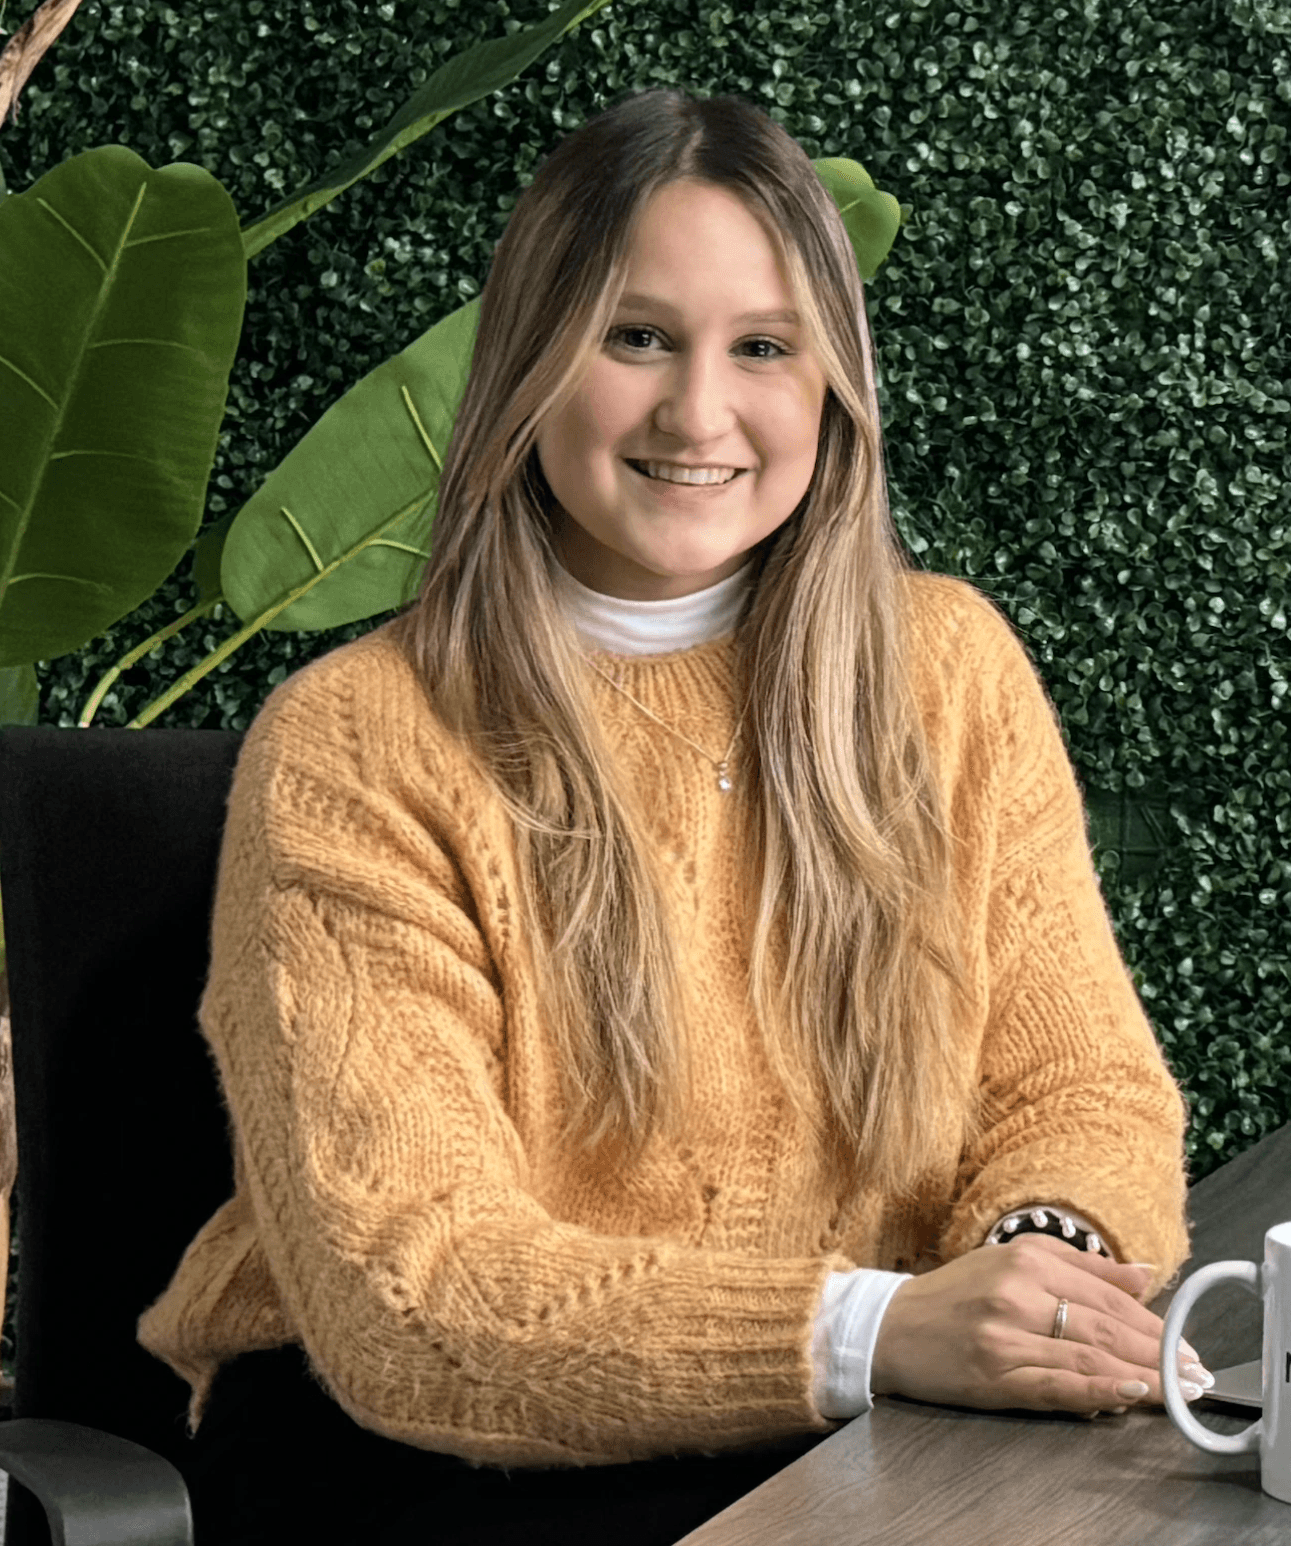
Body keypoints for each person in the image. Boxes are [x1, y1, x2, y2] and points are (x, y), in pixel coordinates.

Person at [137, 88, 1205, 1545]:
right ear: (530, 360)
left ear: (830, 382)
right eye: (636, 336)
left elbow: (1080, 1089)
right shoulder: (357, 743)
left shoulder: (945, 669)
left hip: (865, 1426)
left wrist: (1042, 1273)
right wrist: (875, 1331)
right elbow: (416, 1287)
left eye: (763, 346)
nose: (700, 411)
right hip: (435, 1460)